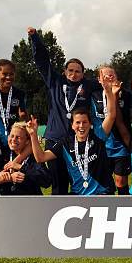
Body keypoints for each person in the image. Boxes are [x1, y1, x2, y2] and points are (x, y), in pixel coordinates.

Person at [27, 26, 102, 195]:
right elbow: (42, 61)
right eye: (71, 70)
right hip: (55, 139)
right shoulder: (55, 82)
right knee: (59, 185)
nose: (74, 74)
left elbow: (109, 85)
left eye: (78, 71)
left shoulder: (88, 86)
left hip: (79, 142)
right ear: (64, 71)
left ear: (83, 74)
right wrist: (34, 38)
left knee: (81, 181)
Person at [27, 79, 119, 195]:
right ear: (72, 125)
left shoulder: (98, 135)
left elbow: (111, 115)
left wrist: (108, 91)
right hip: (78, 195)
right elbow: (41, 157)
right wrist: (33, 135)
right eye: (77, 123)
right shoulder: (65, 143)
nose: (81, 126)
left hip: (102, 194)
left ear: (90, 124)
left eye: (85, 122)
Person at [91, 64, 132, 195]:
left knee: (121, 181)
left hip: (120, 145)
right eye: (105, 75)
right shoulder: (93, 96)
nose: (109, 77)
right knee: (105, 183)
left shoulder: (125, 94)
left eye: (112, 75)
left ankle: (125, 208)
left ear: (116, 77)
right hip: (102, 147)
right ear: (99, 79)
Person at [0, 122, 52, 195]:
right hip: (7, 201)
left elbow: (46, 181)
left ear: (27, 141)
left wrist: (21, 167)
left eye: (18, 137)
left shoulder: (34, 157)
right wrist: (1, 174)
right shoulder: (3, 154)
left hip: (31, 201)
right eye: (11, 136)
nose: (13, 139)